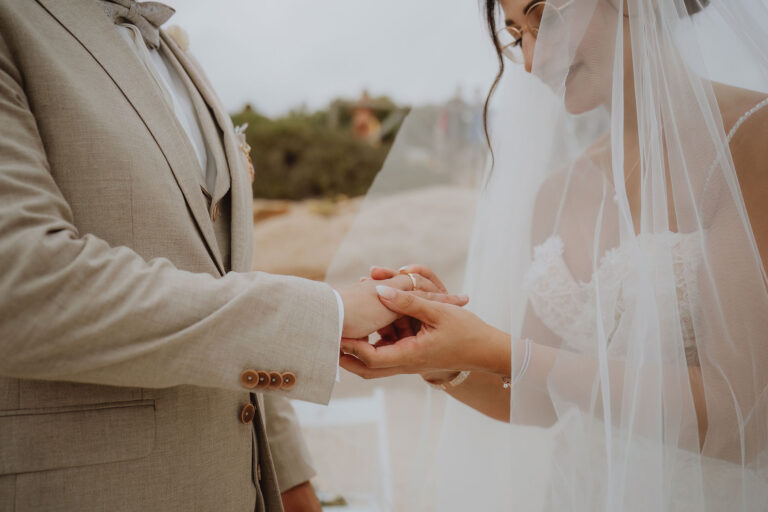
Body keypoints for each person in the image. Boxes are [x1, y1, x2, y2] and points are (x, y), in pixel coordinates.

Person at [0, 1, 465, 511]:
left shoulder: (178, 56)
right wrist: (327, 313)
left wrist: (289, 477)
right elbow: (23, 285)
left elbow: (227, 275)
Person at [340, 0, 768, 509]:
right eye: (518, 35)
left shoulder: (751, 139)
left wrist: (500, 350)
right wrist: (433, 356)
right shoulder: (558, 192)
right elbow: (537, 400)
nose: (532, 61)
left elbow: (741, 416)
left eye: (548, 16)